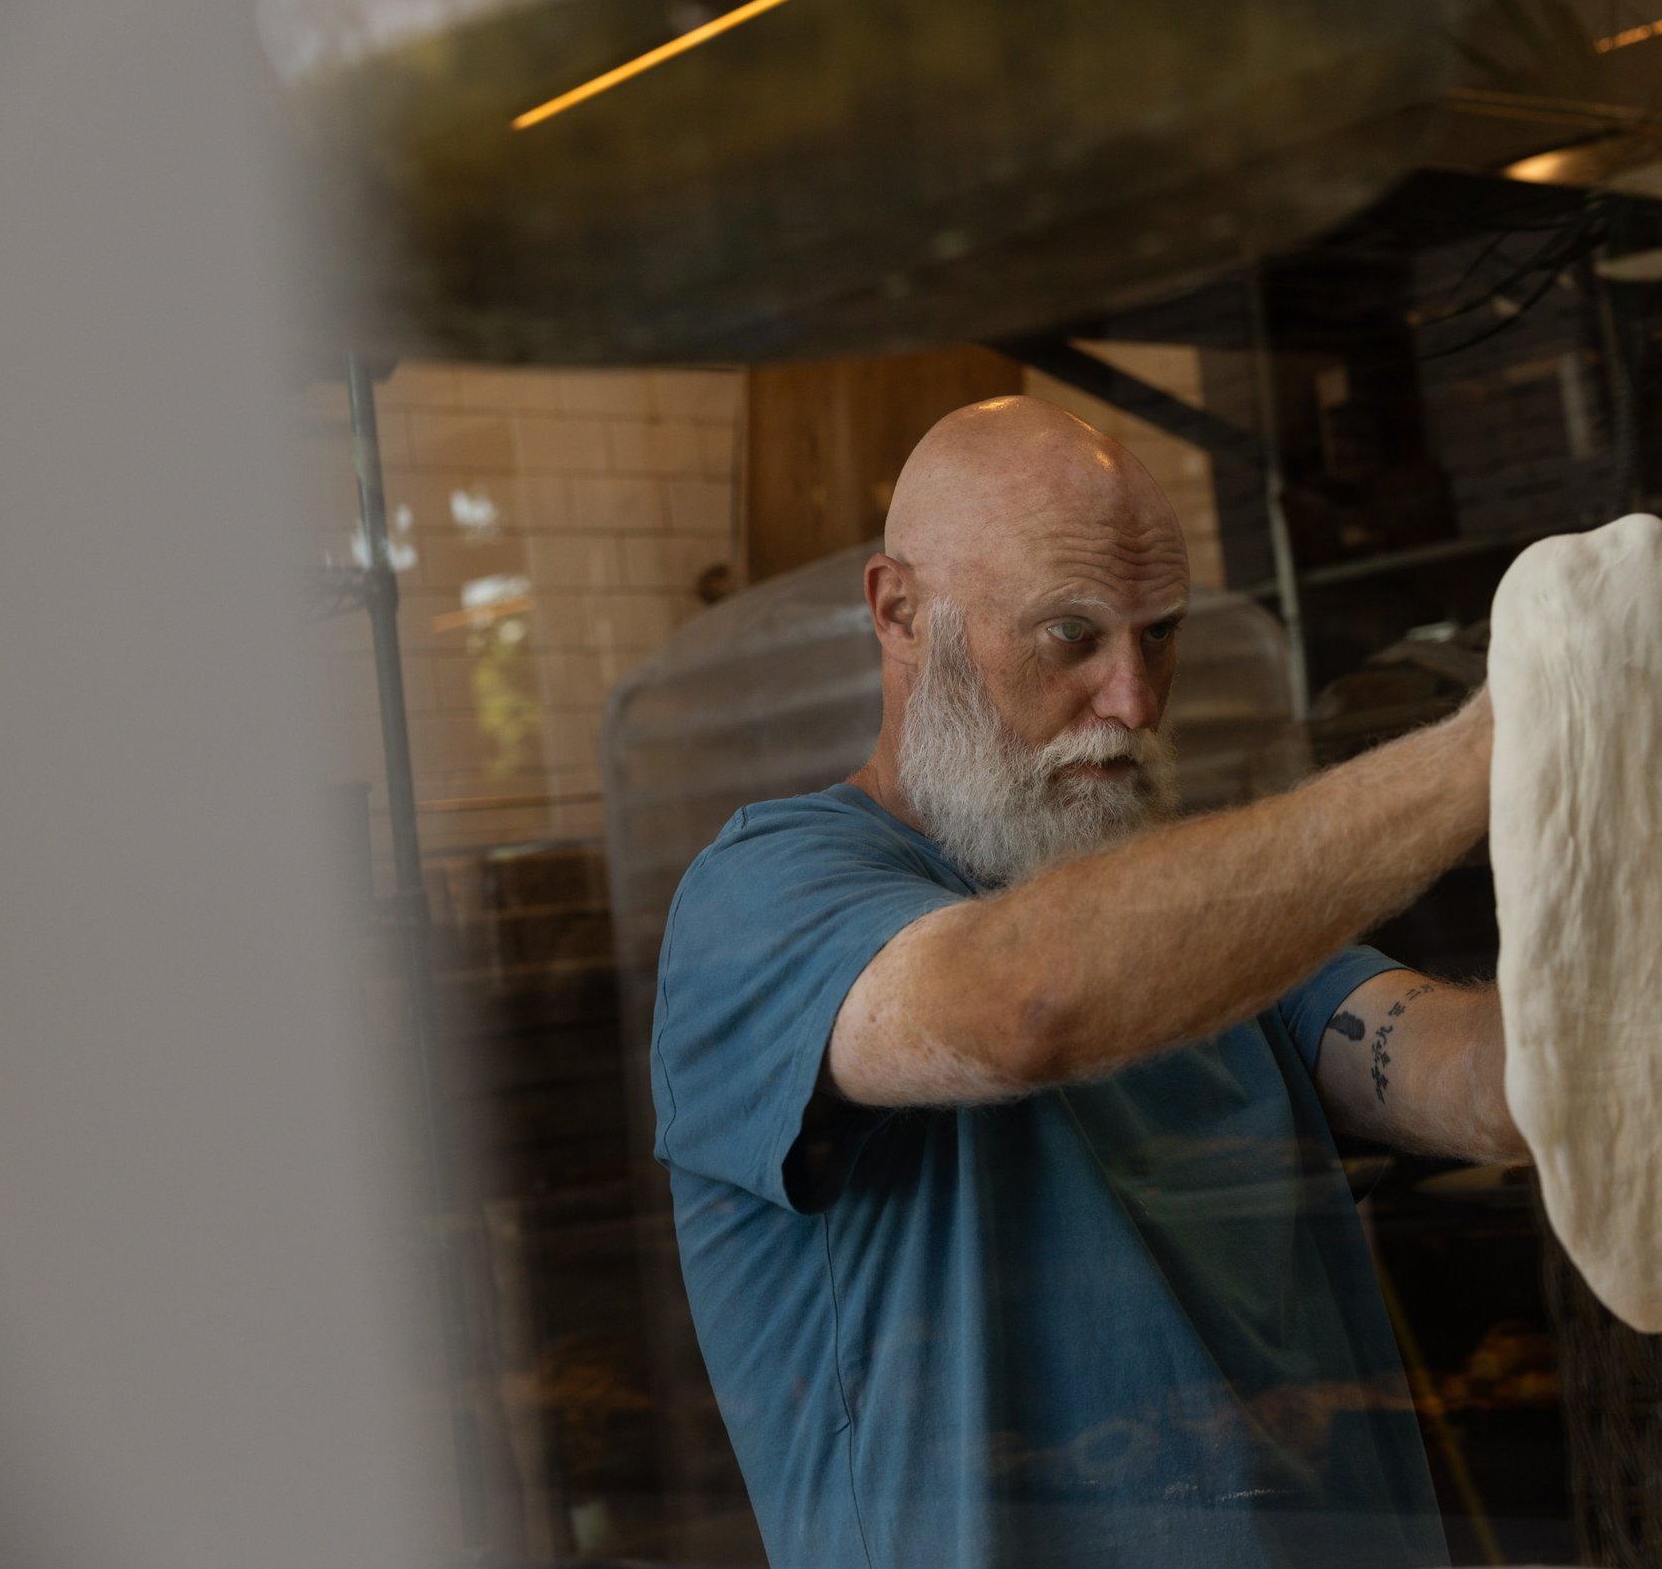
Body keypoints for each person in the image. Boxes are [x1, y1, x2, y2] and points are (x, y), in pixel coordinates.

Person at [653, 396, 1523, 1569]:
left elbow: (1474, 1083)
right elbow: (1022, 1006)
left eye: (1157, 634)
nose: (1134, 702)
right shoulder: (760, 896)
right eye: (1073, 637)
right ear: (898, 610)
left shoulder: (1204, 937)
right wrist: (1488, 749)